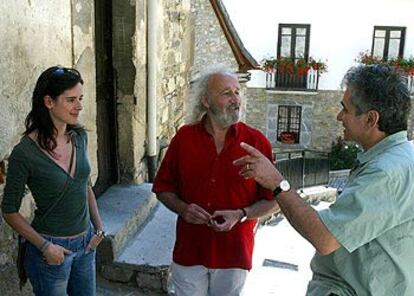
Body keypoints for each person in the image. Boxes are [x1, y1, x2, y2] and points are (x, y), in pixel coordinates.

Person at [234, 64, 414, 295]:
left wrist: (278, 183)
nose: (339, 117)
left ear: (371, 119)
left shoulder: (385, 173)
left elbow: (325, 238)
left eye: (345, 109)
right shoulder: (400, 158)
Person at [152, 69, 279, 296]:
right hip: (190, 250)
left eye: (237, 92)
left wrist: (241, 214)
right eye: (226, 93)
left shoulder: (256, 142)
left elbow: (275, 201)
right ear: (206, 101)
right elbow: (163, 188)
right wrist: (183, 209)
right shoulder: (184, 138)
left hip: (234, 253)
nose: (235, 100)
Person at [1, 66, 105, 296]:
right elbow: (9, 210)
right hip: (52, 252)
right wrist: (45, 247)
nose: (79, 106)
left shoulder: (79, 136)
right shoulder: (25, 153)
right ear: (49, 102)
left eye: (80, 98)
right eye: (70, 100)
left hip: (86, 245)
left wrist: (98, 228)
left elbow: (84, 184)